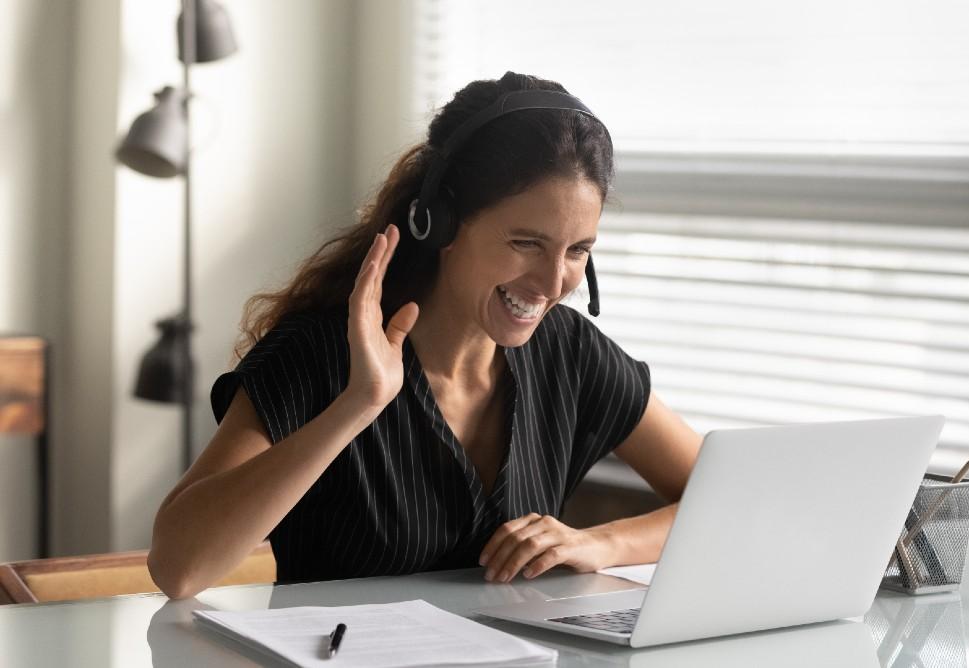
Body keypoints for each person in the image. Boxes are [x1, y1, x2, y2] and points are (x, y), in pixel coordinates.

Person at [147, 72, 702, 600]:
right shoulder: (320, 352)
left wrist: (598, 543)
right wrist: (356, 406)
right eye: (526, 243)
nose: (553, 283)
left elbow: (727, 499)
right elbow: (178, 568)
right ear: (439, 223)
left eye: (578, 250)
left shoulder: (570, 351)